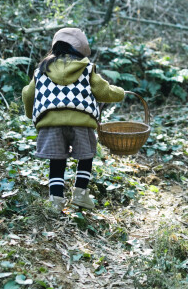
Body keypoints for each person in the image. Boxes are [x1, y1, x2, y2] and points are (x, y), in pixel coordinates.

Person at [22, 28, 125, 211]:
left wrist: (31, 114)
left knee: (57, 159)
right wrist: (120, 93)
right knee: (86, 156)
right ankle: (80, 194)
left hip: (51, 123)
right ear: (80, 48)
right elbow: (104, 91)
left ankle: (56, 199)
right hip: (81, 123)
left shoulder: (42, 69)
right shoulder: (86, 68)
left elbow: (28, 94)